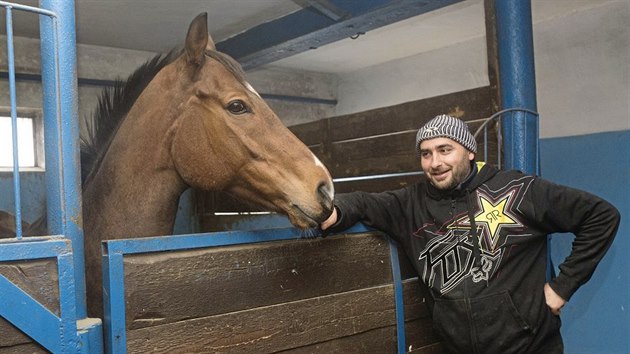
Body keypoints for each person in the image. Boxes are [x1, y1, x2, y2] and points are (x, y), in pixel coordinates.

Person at [320, 114, 620, 354]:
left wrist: (562, 287)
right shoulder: (409, 204)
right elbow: (363, 203)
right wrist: (333, 212)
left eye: (444, 150)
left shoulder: (517, 190)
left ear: (469, 151)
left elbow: (601, 216)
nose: (435, 162)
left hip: (531, 346)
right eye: (425, 154)